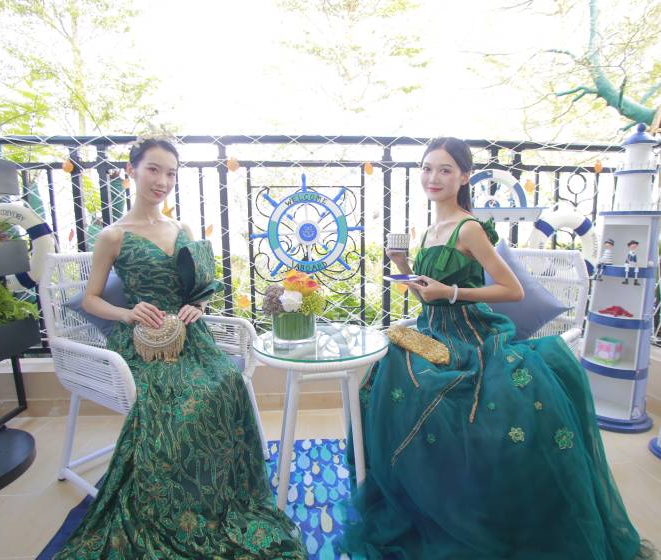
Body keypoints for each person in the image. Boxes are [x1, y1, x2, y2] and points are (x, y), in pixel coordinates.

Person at [339, 137, 653, 560]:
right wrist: (403, 268)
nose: (434, 177)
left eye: (445, 169)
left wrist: (452, 292)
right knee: (382, 374)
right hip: (432, 331)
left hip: (470, 336)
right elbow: (428, 297)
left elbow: (512, 289)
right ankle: (412, 495)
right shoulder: (429, 230)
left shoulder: (469, 228)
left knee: (430, 391)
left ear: (464, 176)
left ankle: (454, 508)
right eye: (428, 168)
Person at [55, 138, 306, 559]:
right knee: (183, 398)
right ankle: (177, 506)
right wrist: (128, 312)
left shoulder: (182, 230)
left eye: (170, 173)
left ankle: (221, 494)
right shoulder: (113, 236)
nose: (162, 181)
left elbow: (201, 288)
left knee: (226, 383)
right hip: (145, 339)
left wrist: (198, 307)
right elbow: (92, 299)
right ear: (131, 171)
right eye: (153, 170)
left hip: (191, 335)